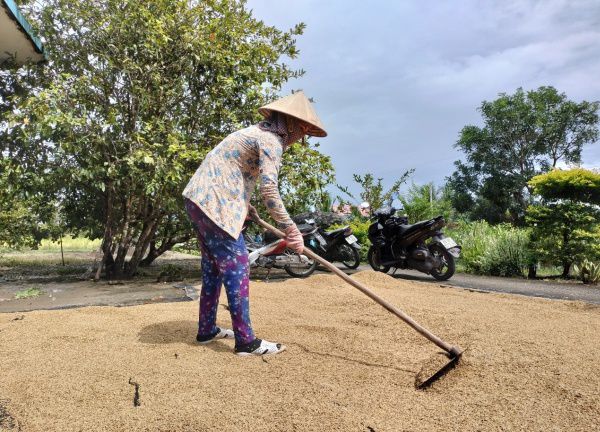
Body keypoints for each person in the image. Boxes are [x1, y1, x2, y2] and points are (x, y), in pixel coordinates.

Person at [182, 91, 327, 356]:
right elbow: (270, 192)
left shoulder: (250, 134)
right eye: (303, 132)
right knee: (237, 267)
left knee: (213, 268)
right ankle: (246, 342)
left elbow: (230, 171)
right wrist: (291, 229)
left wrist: (244, 206)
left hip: (198, 199)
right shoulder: (270, 140)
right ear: (293, 125)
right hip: (216, 205)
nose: (301, 139)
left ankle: (206, 330)